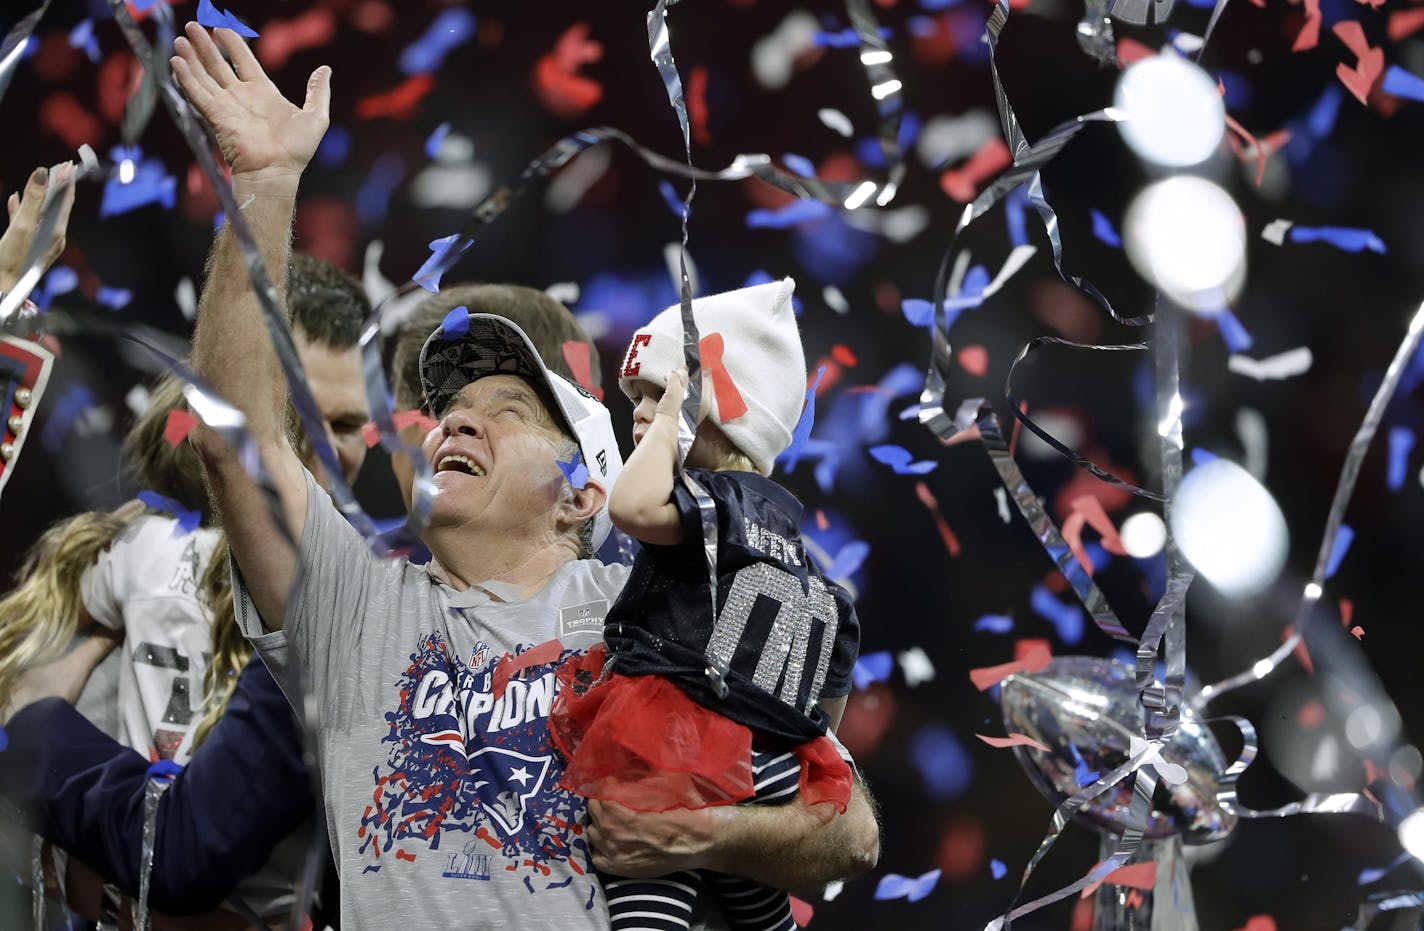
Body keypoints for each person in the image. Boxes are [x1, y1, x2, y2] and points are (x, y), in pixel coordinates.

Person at [170, 22, 877, 930]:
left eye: (508, 411)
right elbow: (236, 441)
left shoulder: (658, 610)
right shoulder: (356, 612)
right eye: (446, 411)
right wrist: (263, 186)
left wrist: (698, 832)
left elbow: (849, 830)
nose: (456, 420)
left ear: (587, 489)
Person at [551, 278, 857, 931]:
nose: (641, 411)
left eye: (658, 392)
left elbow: (630, 506)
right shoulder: (795, 545)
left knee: (644, 902)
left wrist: (670, 423)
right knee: (763, 914)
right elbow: (829, 697)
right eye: (640, 396)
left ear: (713, 405)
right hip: (766, 762)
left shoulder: (715, 503)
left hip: (674, 744)